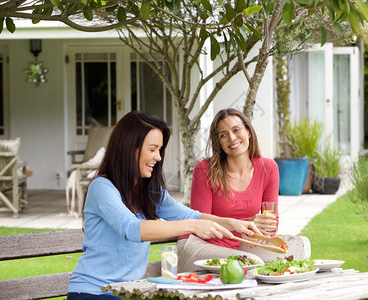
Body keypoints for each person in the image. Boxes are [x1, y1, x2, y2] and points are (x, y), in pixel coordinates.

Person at [67, 111, 260, 299]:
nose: (158, 157)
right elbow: (132, 229)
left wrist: (233, 223)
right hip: (92, 291)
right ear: (129, 148)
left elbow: (191, 215)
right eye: (152, 149)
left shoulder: (149, 191)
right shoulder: (102, 187)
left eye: (159, 150)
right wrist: (193, 226)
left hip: (126, 292)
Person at [177, 108, 280, 272]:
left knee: (288, 257)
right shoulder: (204, 170)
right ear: (218, 142)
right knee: (251, 262)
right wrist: (247, 224)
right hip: (198, 246)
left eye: (236, 130)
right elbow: (201, 224)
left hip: (239, 248)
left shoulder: (269, 168)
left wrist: (264, 231)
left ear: (249, 132)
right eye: (223, 135)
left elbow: (271, 220)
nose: (232, 138)